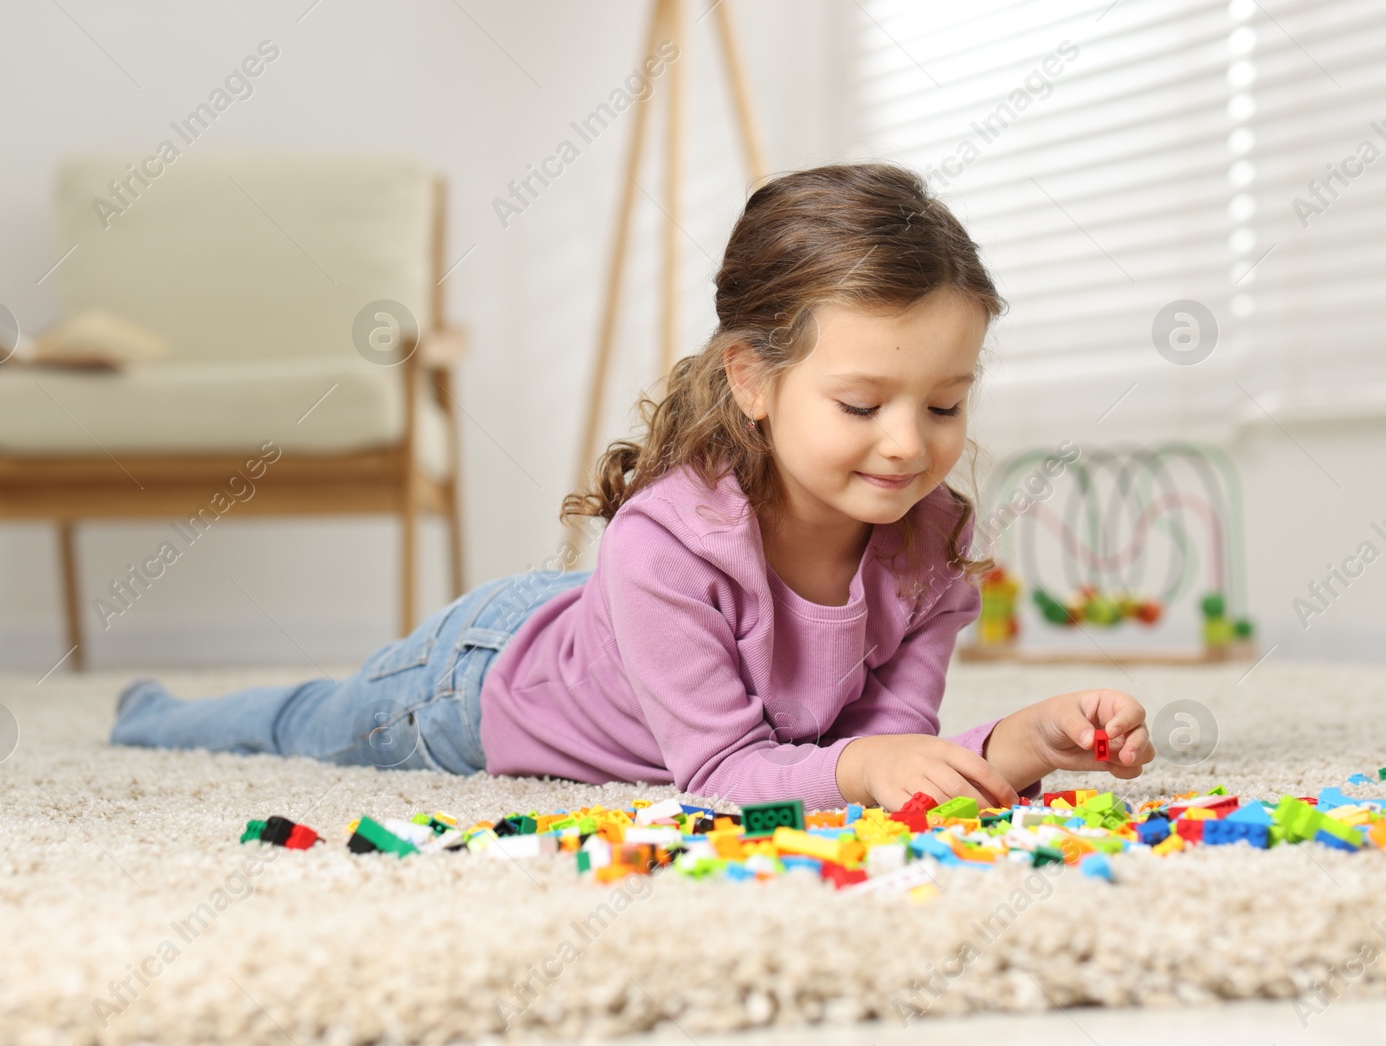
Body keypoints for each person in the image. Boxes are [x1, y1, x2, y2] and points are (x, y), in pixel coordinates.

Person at [111, 161, 1155, 809]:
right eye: (860, 403)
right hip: (480, 682)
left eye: (942, 405)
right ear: (752, 376)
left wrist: (1021, 742)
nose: (905, 446)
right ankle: (153, 715)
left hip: (607, 637)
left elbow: (881, 755)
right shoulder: (669, 539)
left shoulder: (930, 547)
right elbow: (725, 773)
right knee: (310, 723)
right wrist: (867, 771)